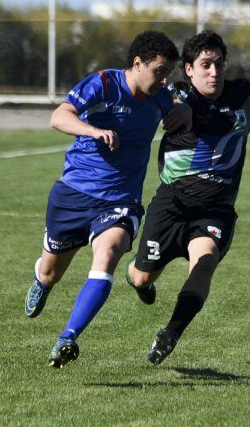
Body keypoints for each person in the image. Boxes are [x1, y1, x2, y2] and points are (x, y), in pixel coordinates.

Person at [24, 30, 190, 369]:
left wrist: (183, 113)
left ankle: (67, 337)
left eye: (167, 74)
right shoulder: (102, 84)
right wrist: (93, 130)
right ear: (137, 64)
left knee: (110, 252)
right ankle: (42, 279)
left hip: (120, 200)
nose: (163, 80)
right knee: (51, 272)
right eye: (159, 71)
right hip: (74, 193)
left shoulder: (159, 97)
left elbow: (179, 112)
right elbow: (59, 116)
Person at [126, 30, 250, 365]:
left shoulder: (240, 90)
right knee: (142, 275)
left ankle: (172, 332)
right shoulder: (177, 94)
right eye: (206, 65)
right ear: (189, 69)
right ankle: (137, 278)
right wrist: (178, 111)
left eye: (219, 64)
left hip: (215, 209)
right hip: (173, 204)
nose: (214, 72)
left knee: (205, 261)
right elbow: (167, 100)